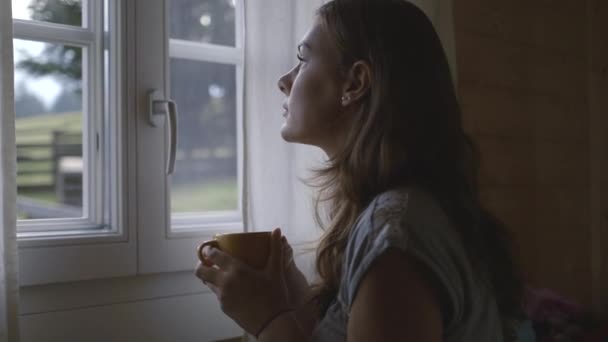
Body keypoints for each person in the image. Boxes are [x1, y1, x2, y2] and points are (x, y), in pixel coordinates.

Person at [195, 0, 525, 340]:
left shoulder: (394, 236)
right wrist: (293, 299)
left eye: (303, 59)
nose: (284, 80)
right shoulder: (407, 214)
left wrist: (267, 320)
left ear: (355, 83)